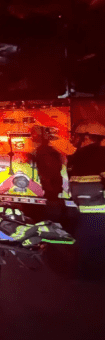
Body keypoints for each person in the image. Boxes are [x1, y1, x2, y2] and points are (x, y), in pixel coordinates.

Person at [67, 120, 105, 280]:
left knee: (88, 240)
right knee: (94, 241)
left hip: (91, 208)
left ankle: (87, 274)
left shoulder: (84, 155)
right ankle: (92, 274)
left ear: (87, 137)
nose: (74, 138)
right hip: (93, 207)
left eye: (77, 136)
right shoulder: (93, 154)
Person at [29, 125, 65, 223]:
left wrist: (48, 185)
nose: (33, 139)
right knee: (53, 206)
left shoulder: (44, 152)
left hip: (51, 188)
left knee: (52, 209)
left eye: (35, 136)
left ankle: (53, 225)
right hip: (53, 187)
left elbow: (48, 171)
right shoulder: (49, 151)